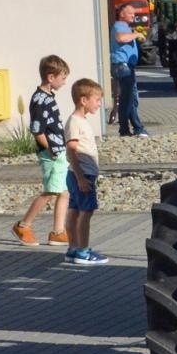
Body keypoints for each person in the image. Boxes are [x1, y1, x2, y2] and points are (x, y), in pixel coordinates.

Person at [13, 55, 72, 247]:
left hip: (58, 151)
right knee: (50, 191)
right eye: (62, 78)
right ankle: (23, 225)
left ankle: (58, 231)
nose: (64, 82)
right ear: (50, 77)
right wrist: (52, 150)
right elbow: (37, 130)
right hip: (52, 153)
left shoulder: (48, 96)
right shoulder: (40, 100)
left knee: (63, 192)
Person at [63, 78, 109, 264]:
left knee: (74, 210)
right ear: (83, 100)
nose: (99, 104)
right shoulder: (75, 122)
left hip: (78, 174)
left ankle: (73, 248)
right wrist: (81, 177)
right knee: (86, 211)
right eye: (96, 99)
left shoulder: (80, 120)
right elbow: (71, 150)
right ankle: (83, 251)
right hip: (81, 174)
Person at [110, 5, 148, 137]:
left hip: (126, 66)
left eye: (134, 13)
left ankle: (126, 129)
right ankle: (136, 128)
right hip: (123, 66)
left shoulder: (125, 27)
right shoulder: (119, 26)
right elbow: (120, 38)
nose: (133, 16)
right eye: (130, 13)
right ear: (122, 14)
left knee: (129, 98)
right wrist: (136, 34)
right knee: (129, 98)